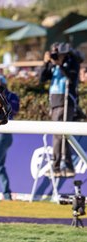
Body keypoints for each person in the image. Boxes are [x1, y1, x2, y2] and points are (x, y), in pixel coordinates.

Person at [40, 42, 79, 178]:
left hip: (66, 101)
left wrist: (60, 64)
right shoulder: (53, 63)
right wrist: (46, 63)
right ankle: (67, 166)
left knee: (59, 134)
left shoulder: (72, 62)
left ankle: (56, 166)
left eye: (58, 53)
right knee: (61, 135)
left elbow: (72, 78)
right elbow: (42, 79)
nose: (56, 55)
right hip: (55, 102)